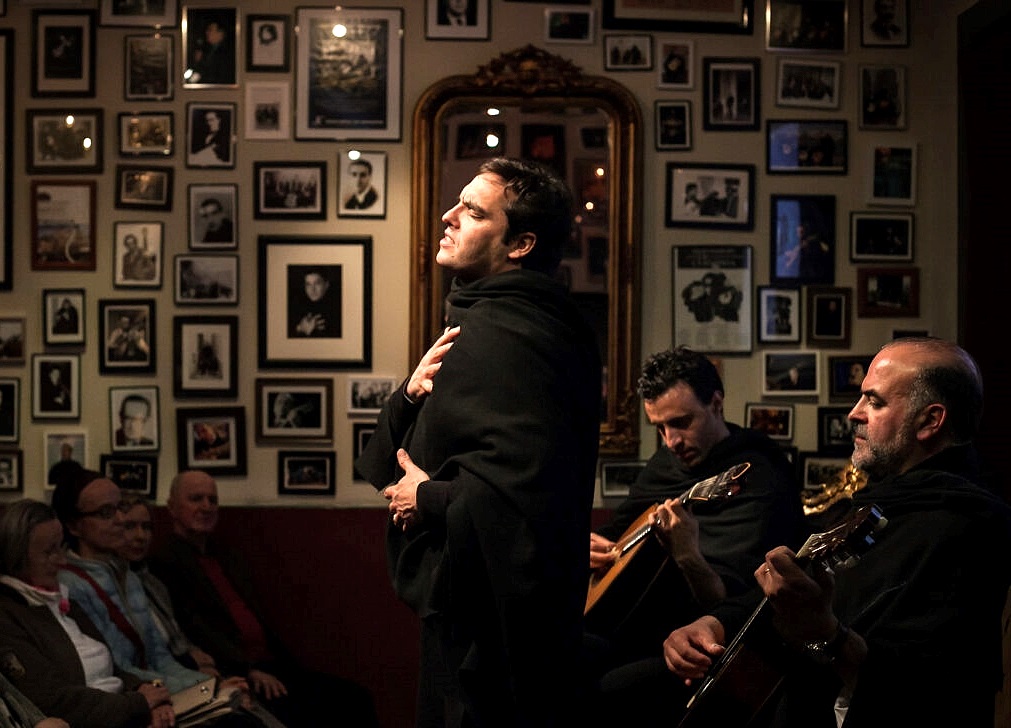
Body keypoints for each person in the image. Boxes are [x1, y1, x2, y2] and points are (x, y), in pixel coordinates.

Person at [354, 157, 602, 727]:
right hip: (468, 599)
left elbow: (534, 487)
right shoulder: (491, 319)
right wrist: (410, 397)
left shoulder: (515, 331)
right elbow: (389, 458)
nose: (448, 216)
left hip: (495, 626)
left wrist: (429, 498)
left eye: (471, 211)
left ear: (520, 244)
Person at [664, 338, 1011, 728]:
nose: (853, 413)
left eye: (874, 402)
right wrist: (715, 622)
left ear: (930, 421)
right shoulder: (877, 498)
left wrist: (824, 633)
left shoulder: (968, 525)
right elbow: (793, 587)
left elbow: (928, 688)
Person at [585, 347, 804, 724]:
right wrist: (588, 545)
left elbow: (735, 604)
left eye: (682, 422)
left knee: (603, 689)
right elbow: (617, 529)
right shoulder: (667, 462)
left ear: (716, 404)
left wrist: (688, 555)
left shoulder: (760, 476)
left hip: (708, 649)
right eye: (659, 427)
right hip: (635, 627)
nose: (670, 441)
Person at [148, 470, 379, 728]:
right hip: (237, 672)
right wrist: (247, 670)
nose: (206, 506)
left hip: (271, 664)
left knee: (354, 698)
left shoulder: (225, 555)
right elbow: (192, 630)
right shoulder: (165, 562)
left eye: (212, 500)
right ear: (171, 507)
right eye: (196, 498)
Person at [49, 471, 261, 727]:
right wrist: (205, 689)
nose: (119, 519)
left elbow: (160, 657)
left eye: (120, 508)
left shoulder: (129, 576)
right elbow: (117, 669)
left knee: (244, 715)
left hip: (158, 687)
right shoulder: (71, 585)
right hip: (128, 698)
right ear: (73, 525)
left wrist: (209, 687)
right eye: (106, 513)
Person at [0, 498, 168, 728]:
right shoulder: (8, 614)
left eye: (61, 546)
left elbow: (114, 670)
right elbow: (52, 700)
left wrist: (145, 691)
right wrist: (138, 704)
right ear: (15, 556)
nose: (61, 560)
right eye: (49, 552)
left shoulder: (60, 595)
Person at [287, 269, 340, 338]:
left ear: (326, 285)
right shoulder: (295, 307)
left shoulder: (337, 309)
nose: (312, 289)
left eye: (317, 283)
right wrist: (300, 328)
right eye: (308, 284)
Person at [188, 18, 234, 85]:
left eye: (210, 30)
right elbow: (198, 74)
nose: (207, 32)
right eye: (207, 30)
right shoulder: (207, 50)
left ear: (220, 33)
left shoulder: (227, 53)